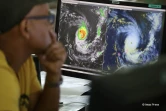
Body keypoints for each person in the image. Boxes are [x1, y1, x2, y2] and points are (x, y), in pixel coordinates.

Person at [0, 0, 66, 111]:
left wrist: (53, 75)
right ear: (26, 27)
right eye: (48, 19)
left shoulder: (25, 62)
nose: (52, 29)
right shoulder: (2, 78)